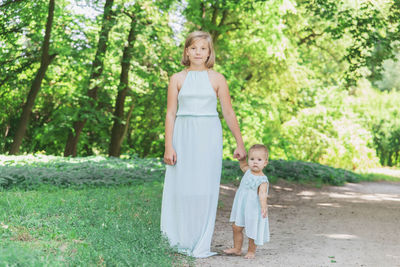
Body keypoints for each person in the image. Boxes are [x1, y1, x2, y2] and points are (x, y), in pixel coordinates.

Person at [160, 31, 246, 258]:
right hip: (183, 134)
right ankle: (179, 238)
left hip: (208, 134)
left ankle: (200, 241)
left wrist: (240, 143)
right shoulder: (177, 78)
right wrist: (169, 146)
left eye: (203, 49)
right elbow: (170, 113)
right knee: (182, 187)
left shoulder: (217, 79)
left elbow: (228, 112)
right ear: (186, 51)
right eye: (193, 48)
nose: (198, 52)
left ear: (209, 53)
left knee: (204, 188)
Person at [223, 144, 270, 259]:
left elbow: (263, 194)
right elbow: (243, 165)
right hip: (241, 205)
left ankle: (251, 251)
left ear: (265, 163)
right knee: (236, 227)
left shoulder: (262, 179)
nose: (255, 162)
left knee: (252, 229)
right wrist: (241, 159)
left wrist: (264, 207)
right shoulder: (248, 171)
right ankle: (237, 248)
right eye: (252, 159)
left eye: (259, 160)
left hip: (253, 208)